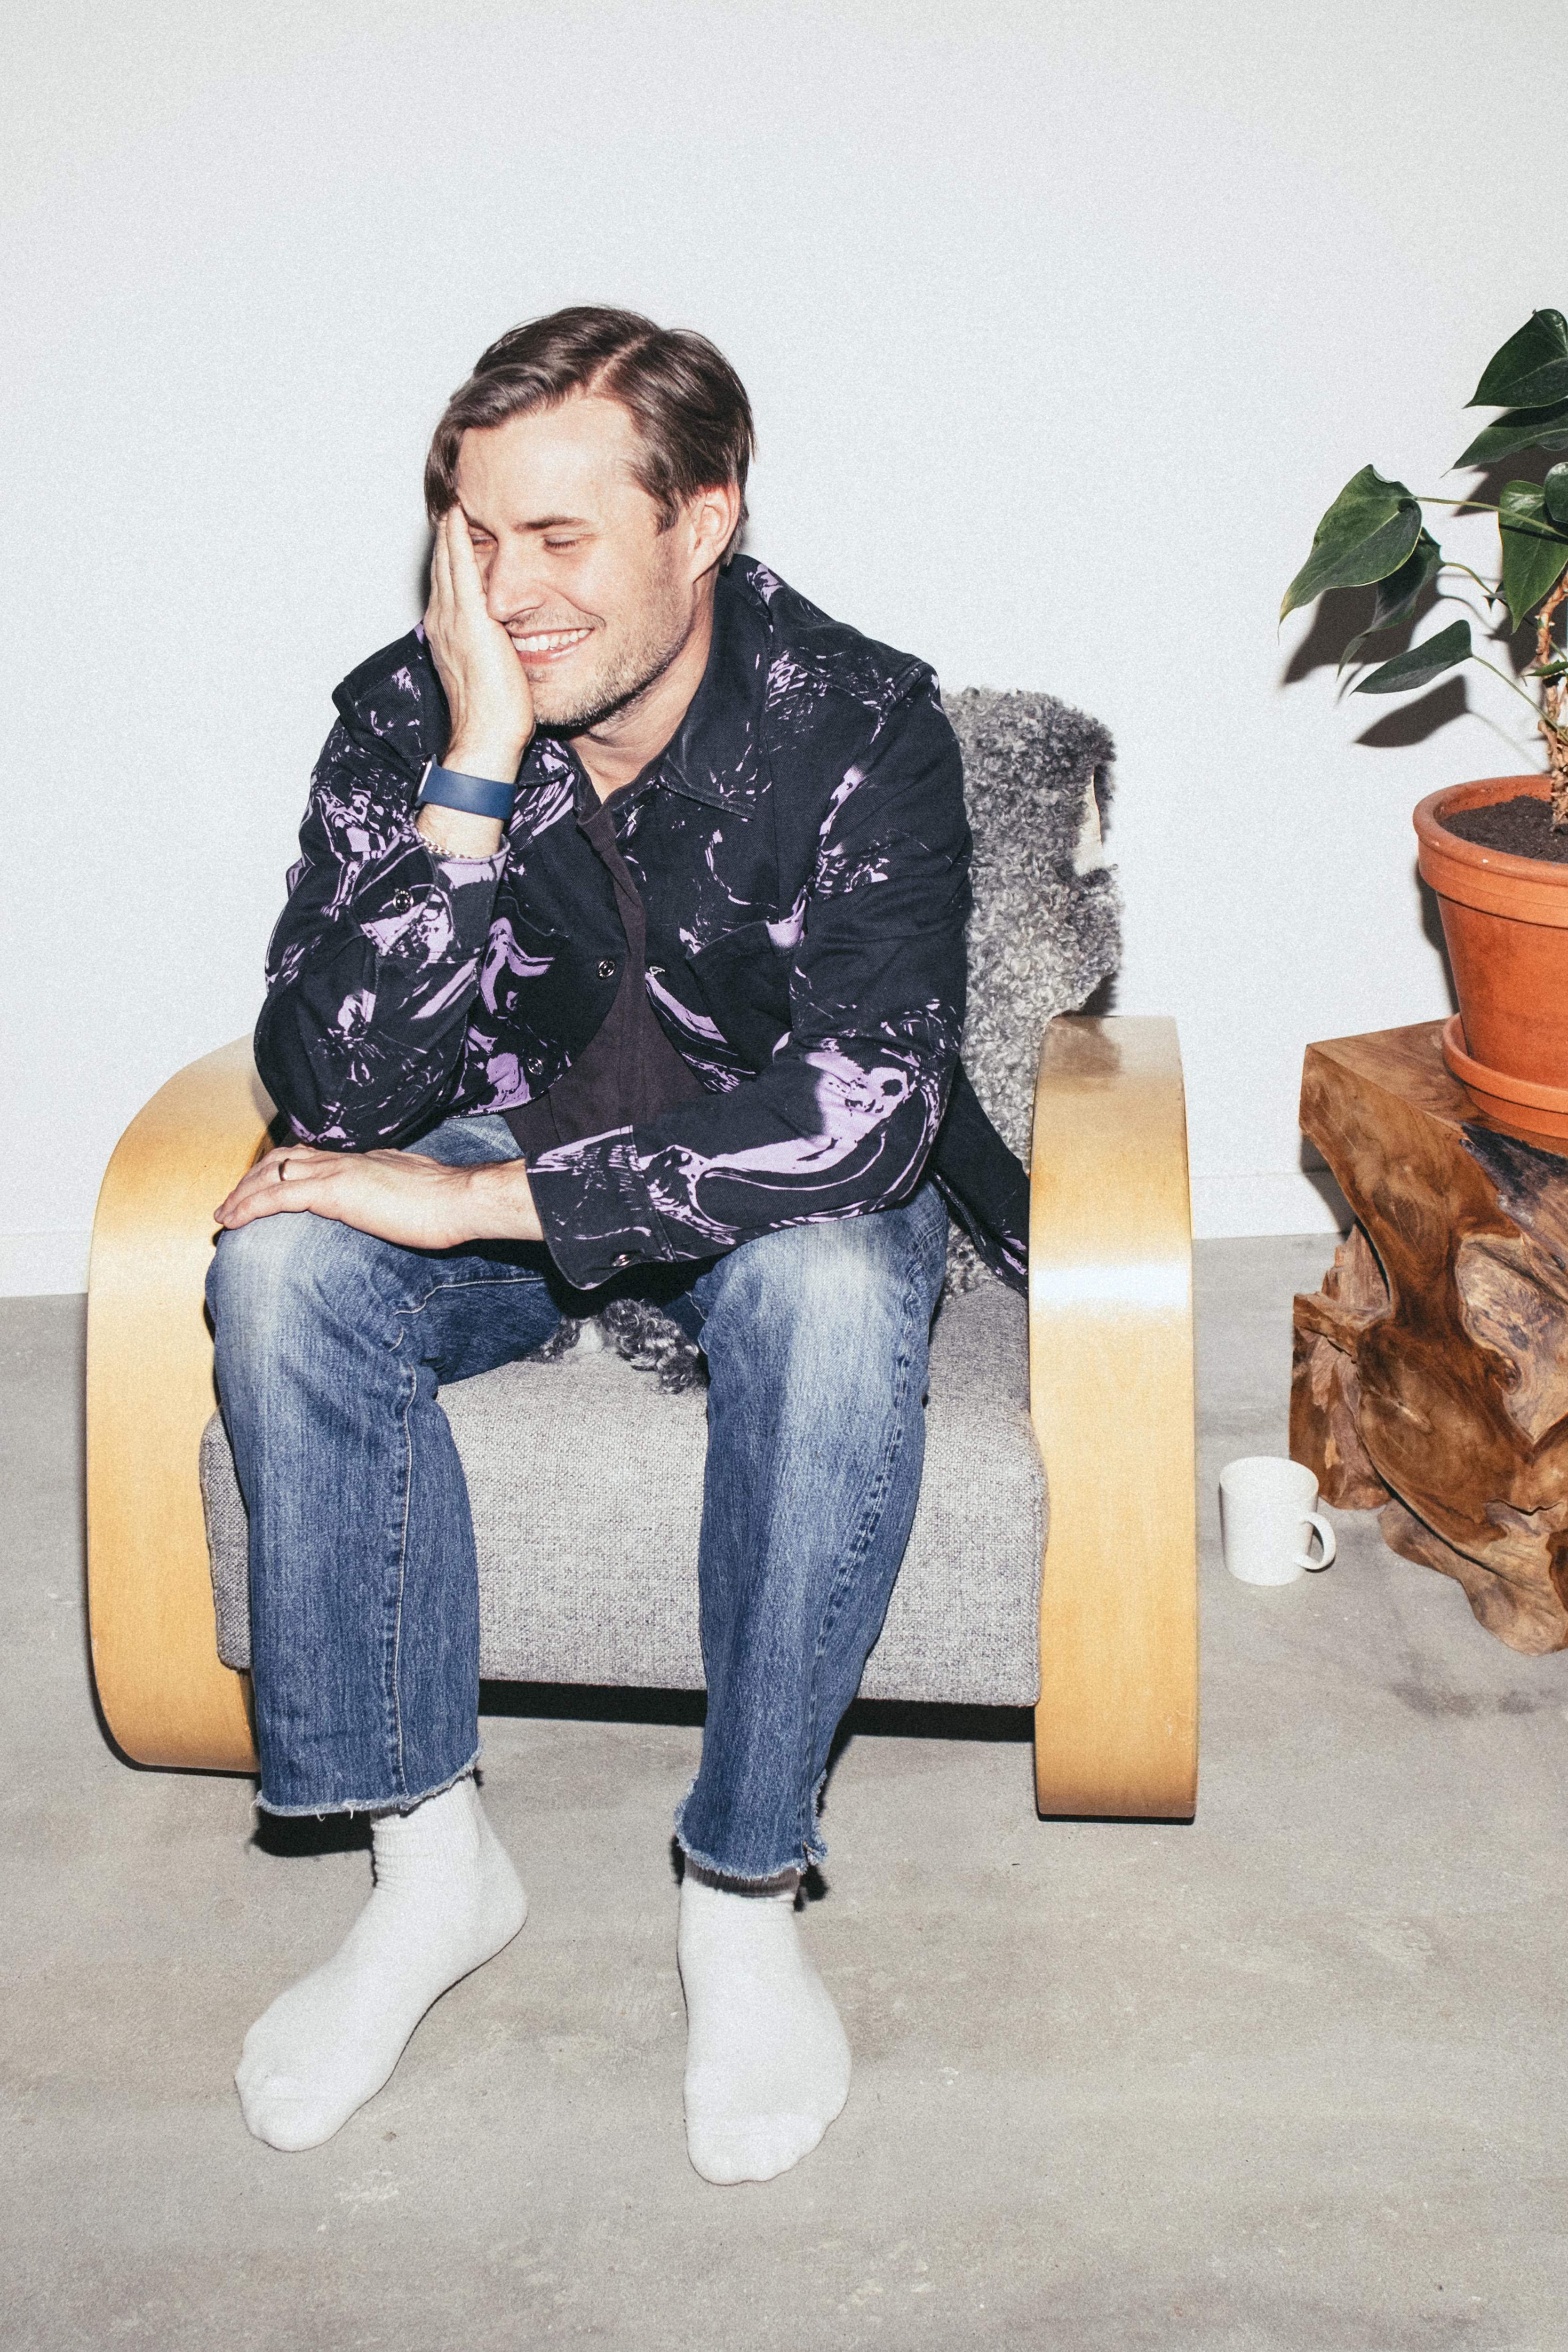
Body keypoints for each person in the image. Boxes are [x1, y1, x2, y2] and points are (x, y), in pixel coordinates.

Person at [207, 306, 1027, 2185]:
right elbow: (326, 1077)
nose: (506, 589)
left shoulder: (863, 720)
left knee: (829, 1286)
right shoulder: (410, 710)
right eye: (473, 534)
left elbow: (873, 1107)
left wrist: (491, 1197)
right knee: (285, 1260)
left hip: (763, 1173)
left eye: (559, 540)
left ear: (706, 518)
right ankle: (428, 1871)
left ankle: (741, 1889)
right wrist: (476, 776)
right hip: (522, 1129)